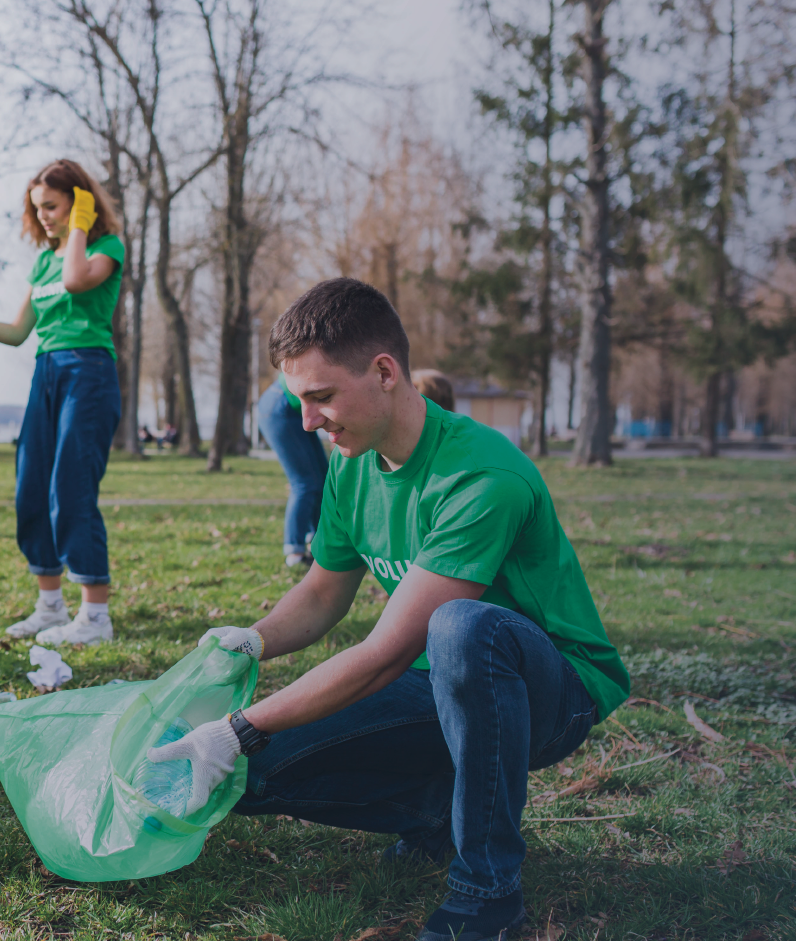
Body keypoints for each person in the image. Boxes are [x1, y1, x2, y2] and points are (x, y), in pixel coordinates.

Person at [147, 279, 629, 941]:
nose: (308, 421)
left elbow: (382, 655)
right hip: (436, 680)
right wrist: (252, 639)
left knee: (462, 628)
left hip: (546, 692)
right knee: (246, 777)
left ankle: (485, 892)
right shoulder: (353, 460)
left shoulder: (481, 475)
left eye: (320, 397)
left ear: (383, 372)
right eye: (298, 402)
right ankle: (438, 810)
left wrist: (237, 725)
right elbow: (322, 592)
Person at [0, 159, 124, 646]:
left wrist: (80, 225)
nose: (44, 218)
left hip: (89, 372)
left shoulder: (106, 247)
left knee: (71, 488)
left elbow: (77, 280)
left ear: (79, 202)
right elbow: (17, 333)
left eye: (53, 207)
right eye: (38, 210)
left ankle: (96, 616)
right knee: (32, 486)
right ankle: (51, 606)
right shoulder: (42, 263)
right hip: (47, 372)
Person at [257, 369, 329, 568]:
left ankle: (318, 545)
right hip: (279, 407)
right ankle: (294, 552)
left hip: (294, 408)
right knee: (305, 484)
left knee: (324, 479)